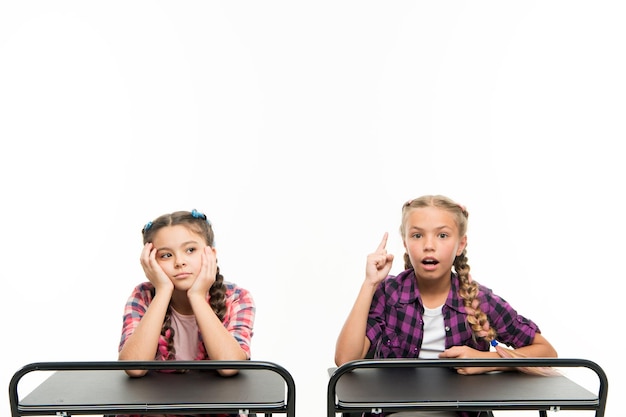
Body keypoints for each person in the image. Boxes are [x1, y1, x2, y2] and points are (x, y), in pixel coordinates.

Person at [334, 195, 557, 417]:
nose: (429, 246)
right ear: (405, 244)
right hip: (395, 411)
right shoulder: (388, 293)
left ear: (460, 245)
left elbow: (546, 352)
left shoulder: (478, 299)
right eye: (417, 235)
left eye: (442, 235)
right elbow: (345, 360)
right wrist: (370, 283)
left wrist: (487, 361)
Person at [117, 209, 255, 417]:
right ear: (149, 262)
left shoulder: (237, 298)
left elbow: (229, 367)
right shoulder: (143, 296)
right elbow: (134, 368)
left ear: (211, 254)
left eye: (190, 250)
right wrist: (162, 290)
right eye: (166, 255)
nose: (179, 261)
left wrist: (198, 297)